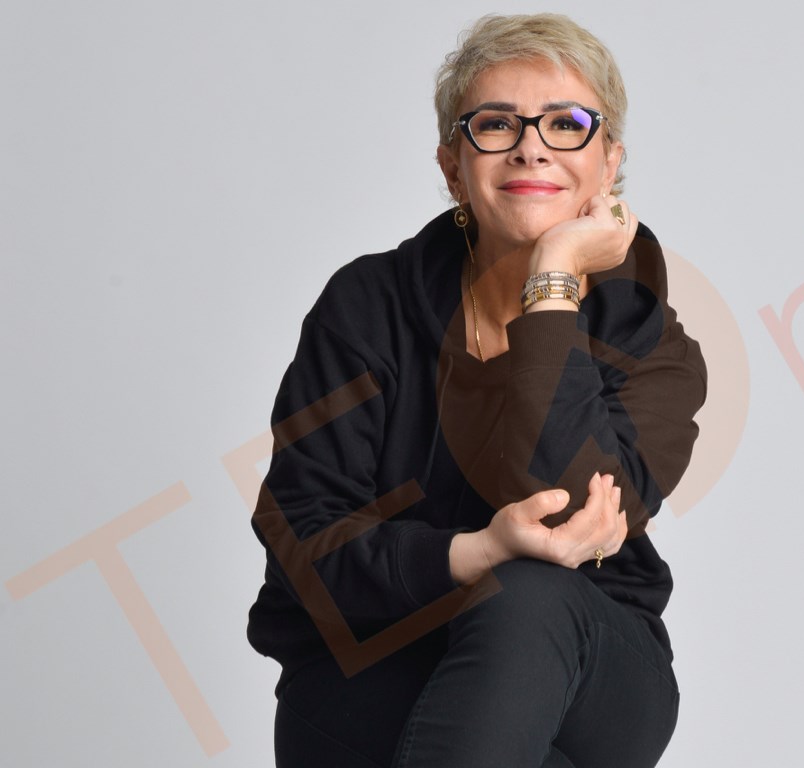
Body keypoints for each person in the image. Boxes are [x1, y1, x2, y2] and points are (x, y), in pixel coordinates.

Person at [247, 13, 707, 768]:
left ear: (609, 164)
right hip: (372, 668)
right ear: (453, 166)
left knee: (528, 594)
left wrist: (552, 280)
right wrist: (477, 550)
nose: (532, 146)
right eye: (496, 123)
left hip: (586, 667)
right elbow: (304, 543)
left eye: (567, 124)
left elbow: (568, 520)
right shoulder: (367, 308)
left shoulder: (652, 346)